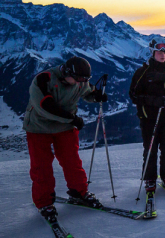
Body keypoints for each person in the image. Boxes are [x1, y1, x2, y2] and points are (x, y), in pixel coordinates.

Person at [24, 56, 108, 221]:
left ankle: (79, 192)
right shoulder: (43, 80)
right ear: (67, 72)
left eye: (83, 79)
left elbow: (87, 91)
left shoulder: (78, 81)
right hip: (39, 128)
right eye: (77, 79)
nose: (79, 82)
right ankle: (44, 202)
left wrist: (96, 96)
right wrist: (72, 119)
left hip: (65, 127)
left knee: (72, 161)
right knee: (42, 166)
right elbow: (44, 107)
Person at [128, 37, 165, 195]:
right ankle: (150, 178)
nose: (163, 54)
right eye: (160, 51)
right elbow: (133, 95)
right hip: (149, 117)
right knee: (150, 149)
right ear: (152, 52)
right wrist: (152, 100)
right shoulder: (143, 72)